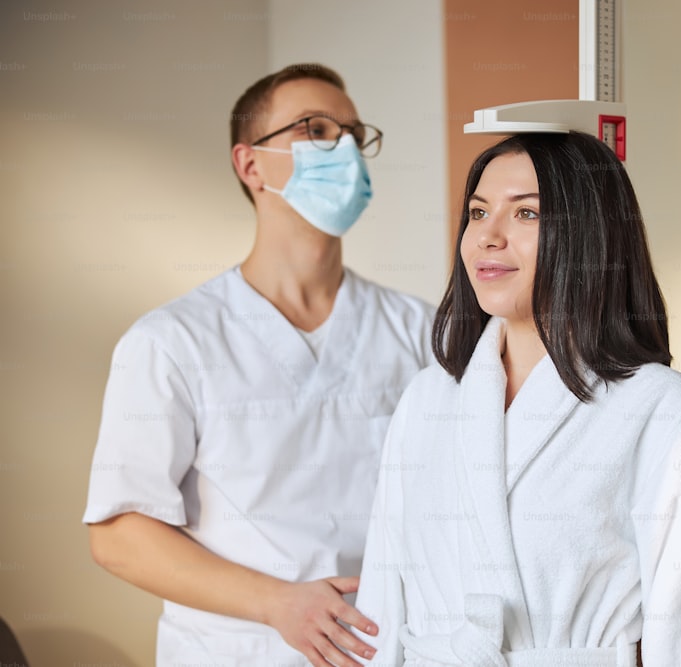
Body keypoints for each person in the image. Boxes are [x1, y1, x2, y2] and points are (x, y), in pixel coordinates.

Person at [352, 132, 681, 666]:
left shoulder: (664, 411)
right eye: (478, 212)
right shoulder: (426, 399)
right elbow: (383, 598)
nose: (488, 237)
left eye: (526, 215)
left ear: (590, 236)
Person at [83, 63, 434, 667]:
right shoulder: (172, 342)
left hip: (388, 650)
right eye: (316, 130)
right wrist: (279, 604)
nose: (344, 149)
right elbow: (118, 536)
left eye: (354, 134)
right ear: (250, 165)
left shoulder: (421, 331)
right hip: (237, 652)